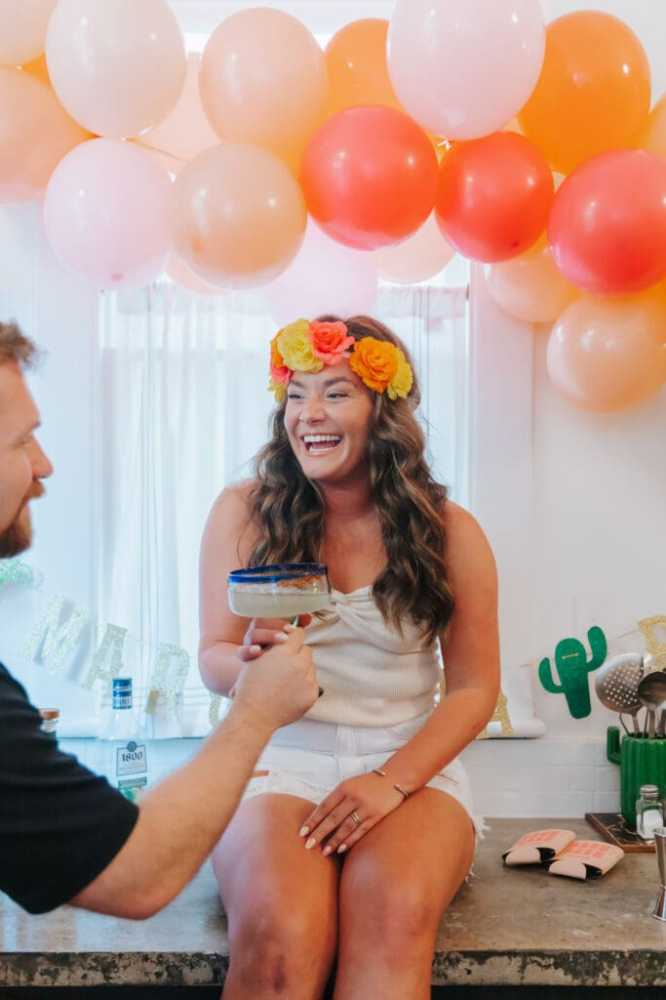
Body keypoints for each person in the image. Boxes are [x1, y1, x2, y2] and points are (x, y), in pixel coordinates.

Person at [199, 315, 501, 999]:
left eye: (335, 393)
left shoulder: (450, 531)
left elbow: (474, 690)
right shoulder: (245, 512)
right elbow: (212, 657)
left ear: (382, 410)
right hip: (276, 761)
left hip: (409, 765)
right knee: (280, 932)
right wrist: (249, 666)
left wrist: (390, 781)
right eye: (297, 394)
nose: (309, 414)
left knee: (390, 911)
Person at [0, 321, 319, 918]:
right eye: (21, 442)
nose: (44, 466)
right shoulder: (241, 509)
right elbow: (134, 875)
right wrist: (254, 711)